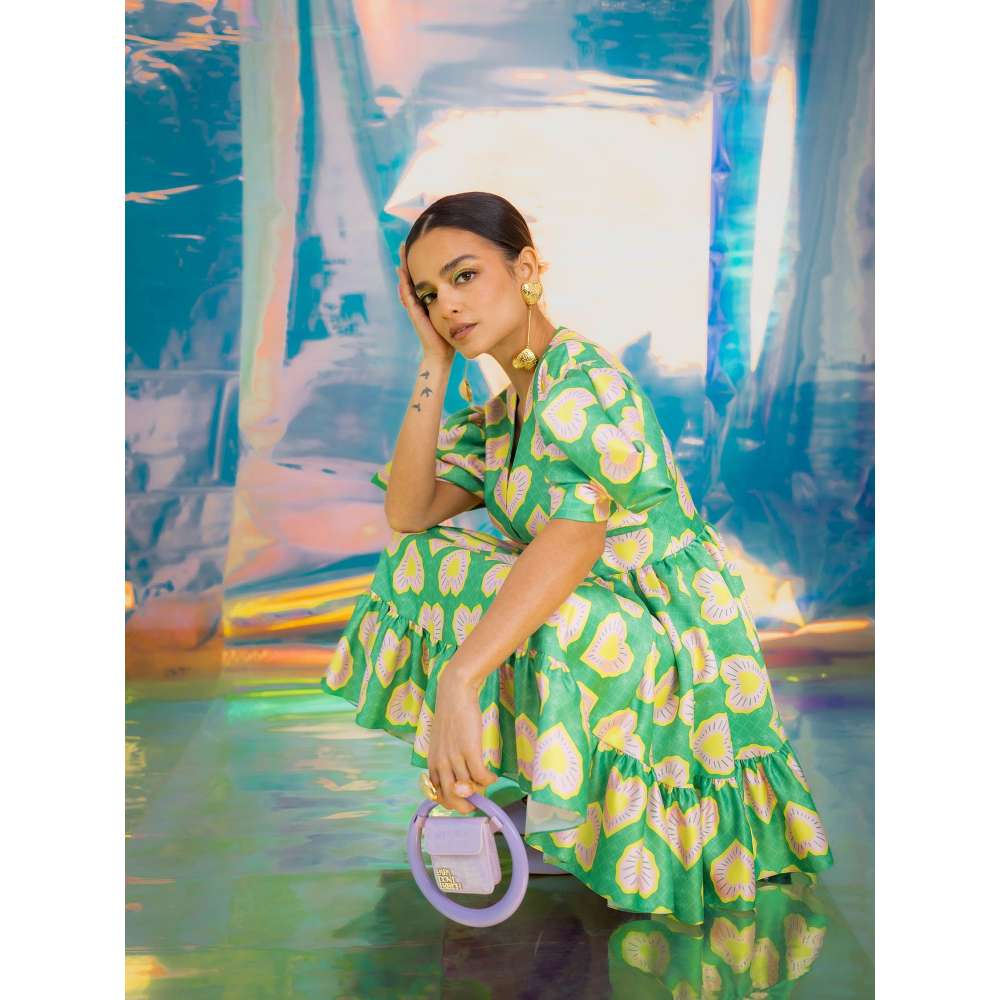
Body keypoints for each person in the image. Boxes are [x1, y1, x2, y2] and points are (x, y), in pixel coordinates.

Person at [320, 191, 834, 923]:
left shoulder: (578, 384)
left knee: (550, 609)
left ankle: (590, 811)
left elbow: (575, 539)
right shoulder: (509, 406)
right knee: (424, 560)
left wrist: (462, 677)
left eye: (465, 276)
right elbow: (410, 512)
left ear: (526, 269)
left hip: (675, 646)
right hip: (605, 614)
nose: (449, 305)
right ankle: (556, 790)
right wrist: (432, 359)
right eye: (430, 294)